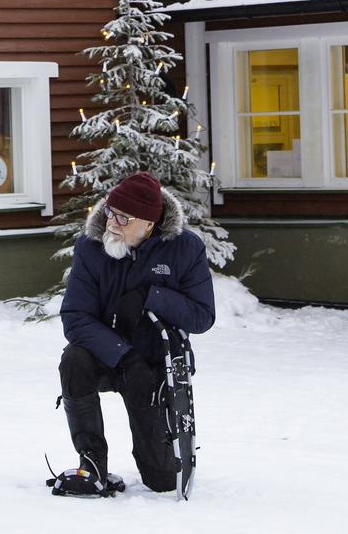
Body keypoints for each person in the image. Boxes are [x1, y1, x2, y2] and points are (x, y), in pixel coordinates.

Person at [55, 171, 215, 496]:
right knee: (74, 360)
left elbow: (202, 317)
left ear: (148, 224)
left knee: (163, 481)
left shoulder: (185, 249)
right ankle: (93, 465)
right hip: (108, 356)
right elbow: (74, 317)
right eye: (111, 212)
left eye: (123, 218)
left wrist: (152, 296)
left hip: (155, 363)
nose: (112, 222)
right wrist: (124, 355)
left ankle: (157, 459)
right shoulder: (91, 246)